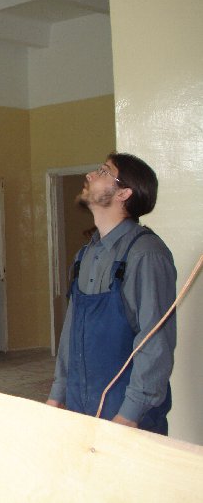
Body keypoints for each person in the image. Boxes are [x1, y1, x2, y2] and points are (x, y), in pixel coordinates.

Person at [47, 153, 176, 435]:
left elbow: (155, 341)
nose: (90, 175)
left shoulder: (145, 254)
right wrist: (59, 392)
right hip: (81, 405)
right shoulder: (85, 255)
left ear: (124, 193)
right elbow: (71, 331)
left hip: (127, 414)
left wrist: (130, 414)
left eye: (103, 171)